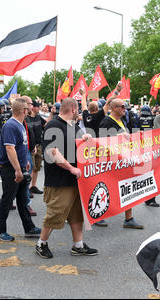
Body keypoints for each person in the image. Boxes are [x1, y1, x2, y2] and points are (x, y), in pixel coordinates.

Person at [36, 98, 97, 258]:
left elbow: (77, 143)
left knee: (77, 215)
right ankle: (41, 243)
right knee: (55, 213)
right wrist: (71, 168)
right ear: (72, 109)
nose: (77, 112)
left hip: (75, 179)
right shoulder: (53, 125)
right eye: (77, 109)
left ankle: (78, 245)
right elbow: (52, 152)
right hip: (59, 179)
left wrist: (84, 139)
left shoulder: (73, 125)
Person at [0, 98, 41, 241]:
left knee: (22, 200)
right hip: (10, 169)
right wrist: (18, 170)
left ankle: (29, 227)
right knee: (7, 200)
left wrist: (25, 161)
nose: (30, 110)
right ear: (23, 110)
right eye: (28, 108)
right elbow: (10, 148)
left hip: (19, 167)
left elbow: (20, 147)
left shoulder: (20, 124)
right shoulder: (11, 125)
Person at [97, 98, 145, 229]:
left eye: (125, 106)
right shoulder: (106, 122)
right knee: (108, 188)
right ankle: (98, 215)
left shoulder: (122, 120)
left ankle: (129, 218)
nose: (125, 109)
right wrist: (119, 136)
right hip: (112, 162)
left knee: (128, 187)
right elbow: (101, 142)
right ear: (114, 108)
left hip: (124, 160)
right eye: (122, 107)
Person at [26, 99, 47, 195]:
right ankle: (26, 189)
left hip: (39, 145)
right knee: (30, 168)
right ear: (33, 107)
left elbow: (46, 123)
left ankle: (33, 186)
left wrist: (52, 114)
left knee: (36, 168)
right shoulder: (26, 118)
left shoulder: (38, 117)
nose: (39, 108)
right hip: (30, 147)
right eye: (37, 106)